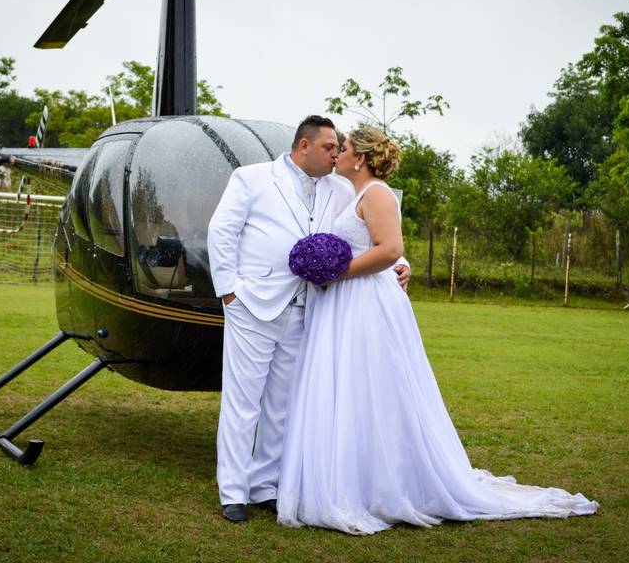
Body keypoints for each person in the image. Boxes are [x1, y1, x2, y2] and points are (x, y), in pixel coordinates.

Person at [276, 127, 599, 535]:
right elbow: (378, 247)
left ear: (360, 157)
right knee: (351, 388)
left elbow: (390, 248)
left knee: (375, 386)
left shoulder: (376, 193)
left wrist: (337, 271)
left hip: (364, 303)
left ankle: (385, 484)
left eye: (344, 148)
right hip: (345, 303)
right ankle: (354, 477)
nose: (338, 153)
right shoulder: (353, 193)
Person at [207, 116, 410, 523]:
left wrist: (400, 262)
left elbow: (371, 230)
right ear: (303, 145)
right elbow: (221, 231)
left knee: (283, 404)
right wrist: (230, 291)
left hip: (309, 309)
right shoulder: (252, 178)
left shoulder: (340, 187)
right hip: (253, 305)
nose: (336, 154)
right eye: (329, 147)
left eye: (339, 148)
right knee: (242, 402)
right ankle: (233, 491)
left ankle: (265, 485)